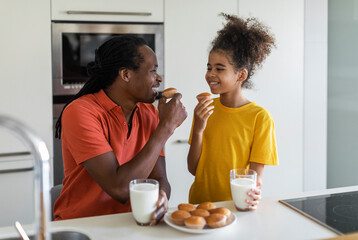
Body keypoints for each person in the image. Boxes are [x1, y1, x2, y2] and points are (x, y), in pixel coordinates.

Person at [53, 36, 187, 222]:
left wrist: (161, 196)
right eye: (153, 71)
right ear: (125, 74)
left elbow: (159, 178)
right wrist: (166, 127)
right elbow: (120, 189)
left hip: (131, 222)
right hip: (82, 225)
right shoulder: (80, 112)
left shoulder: (148, 112)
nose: (159, 78)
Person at [187, 13, 278, 209]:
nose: (211, 74)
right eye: (209, 67)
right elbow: (194, 169)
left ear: (241, 74)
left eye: (219, 69)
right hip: (199, 206)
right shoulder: (204, 110)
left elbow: (256, 178)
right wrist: (198, 129)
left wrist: (253, 196)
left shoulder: (260, 118)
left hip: (236, 207)